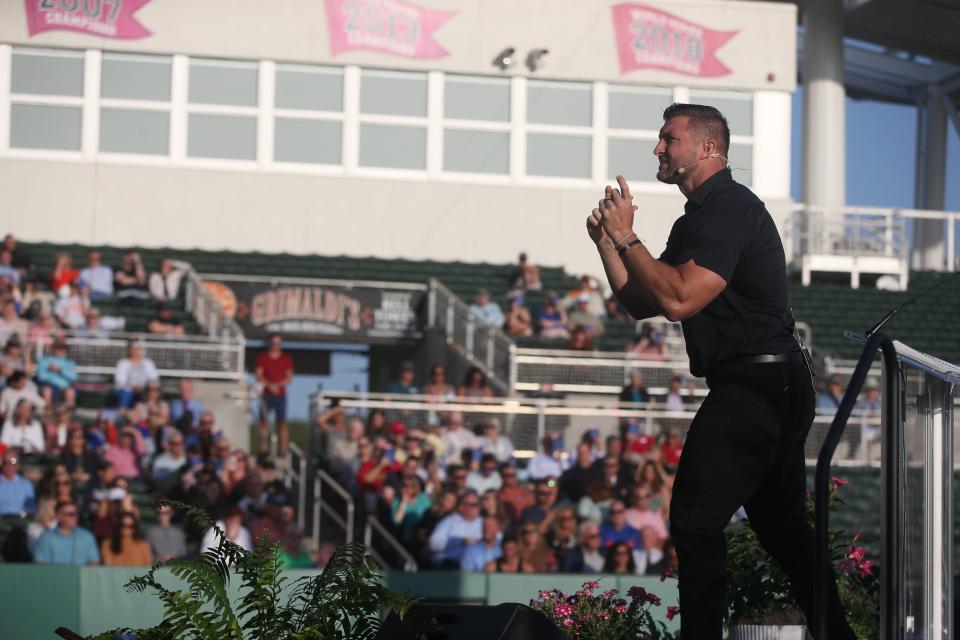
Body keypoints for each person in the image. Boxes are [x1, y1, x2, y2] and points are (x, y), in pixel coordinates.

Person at [585, 103, 854, 638]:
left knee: (694, 518)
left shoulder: (728, 208)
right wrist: (608, 243)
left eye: (668, 139)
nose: (658, 149)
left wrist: (629, 237)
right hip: (770, 382)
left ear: (707, 148)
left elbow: (680, 299)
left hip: (759, 383)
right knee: (781, 532)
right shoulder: (700, 218)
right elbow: (644, 301)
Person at [255, 334, 293, 455]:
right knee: (263, 422)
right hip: (265, 395)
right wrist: (269, 385)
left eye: (278, 343)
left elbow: (289, 378)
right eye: (274, 343)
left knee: (282, 422)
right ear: (270, 343)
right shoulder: (262, 357)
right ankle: (263, 449)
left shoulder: (286, 358)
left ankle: (283, 450)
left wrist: (277, 386)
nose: (276, 345)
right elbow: (258, 375)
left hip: (280, 395)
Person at [427, 490, 483, 569]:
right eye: (470, 505)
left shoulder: (485, 523)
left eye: (476, 505)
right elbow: (433, 544)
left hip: (479, 564)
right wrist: (460, 542)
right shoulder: (449, 522)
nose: (473, 508)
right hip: (450, 564)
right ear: (461, 506)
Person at [34, 500, 100, 565]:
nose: (75, 517)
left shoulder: (87, 537)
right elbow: (40, 564)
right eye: (71, 514)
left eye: (76, 514)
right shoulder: (46, 538)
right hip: (53, 575)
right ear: (59, 516)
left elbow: (94, 563)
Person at [114, 342, 160, 410]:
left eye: (138, 349)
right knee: (125, 393)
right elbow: (120, 381)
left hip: (144, 390)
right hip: (127, 390)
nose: (136, 351)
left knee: (152, 392)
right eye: (134, 349)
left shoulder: (148, 363)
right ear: (130, 350)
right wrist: (134, 387)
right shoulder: (123, 363)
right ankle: (123, 413)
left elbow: (154, 378)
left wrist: (144, 388)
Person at [36, 339, 78, 407]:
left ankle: (66, 414)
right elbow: (41, 376)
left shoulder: (70, 362)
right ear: (53, 349)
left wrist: (60, 371)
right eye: (58, 348)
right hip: (49, 386)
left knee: (70, 392)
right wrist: (51, 372)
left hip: (64, 387)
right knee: (47, 390)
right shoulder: (44, 360)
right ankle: (48, 413)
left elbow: (73, 377)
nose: (60, 351)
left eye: (62, 348)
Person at [0, 452, 36, 517]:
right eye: (6, 462)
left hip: (19, 521)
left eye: (12, 462)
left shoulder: (26, 485)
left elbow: (30, 507)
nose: (9, 466)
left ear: (18, 465)